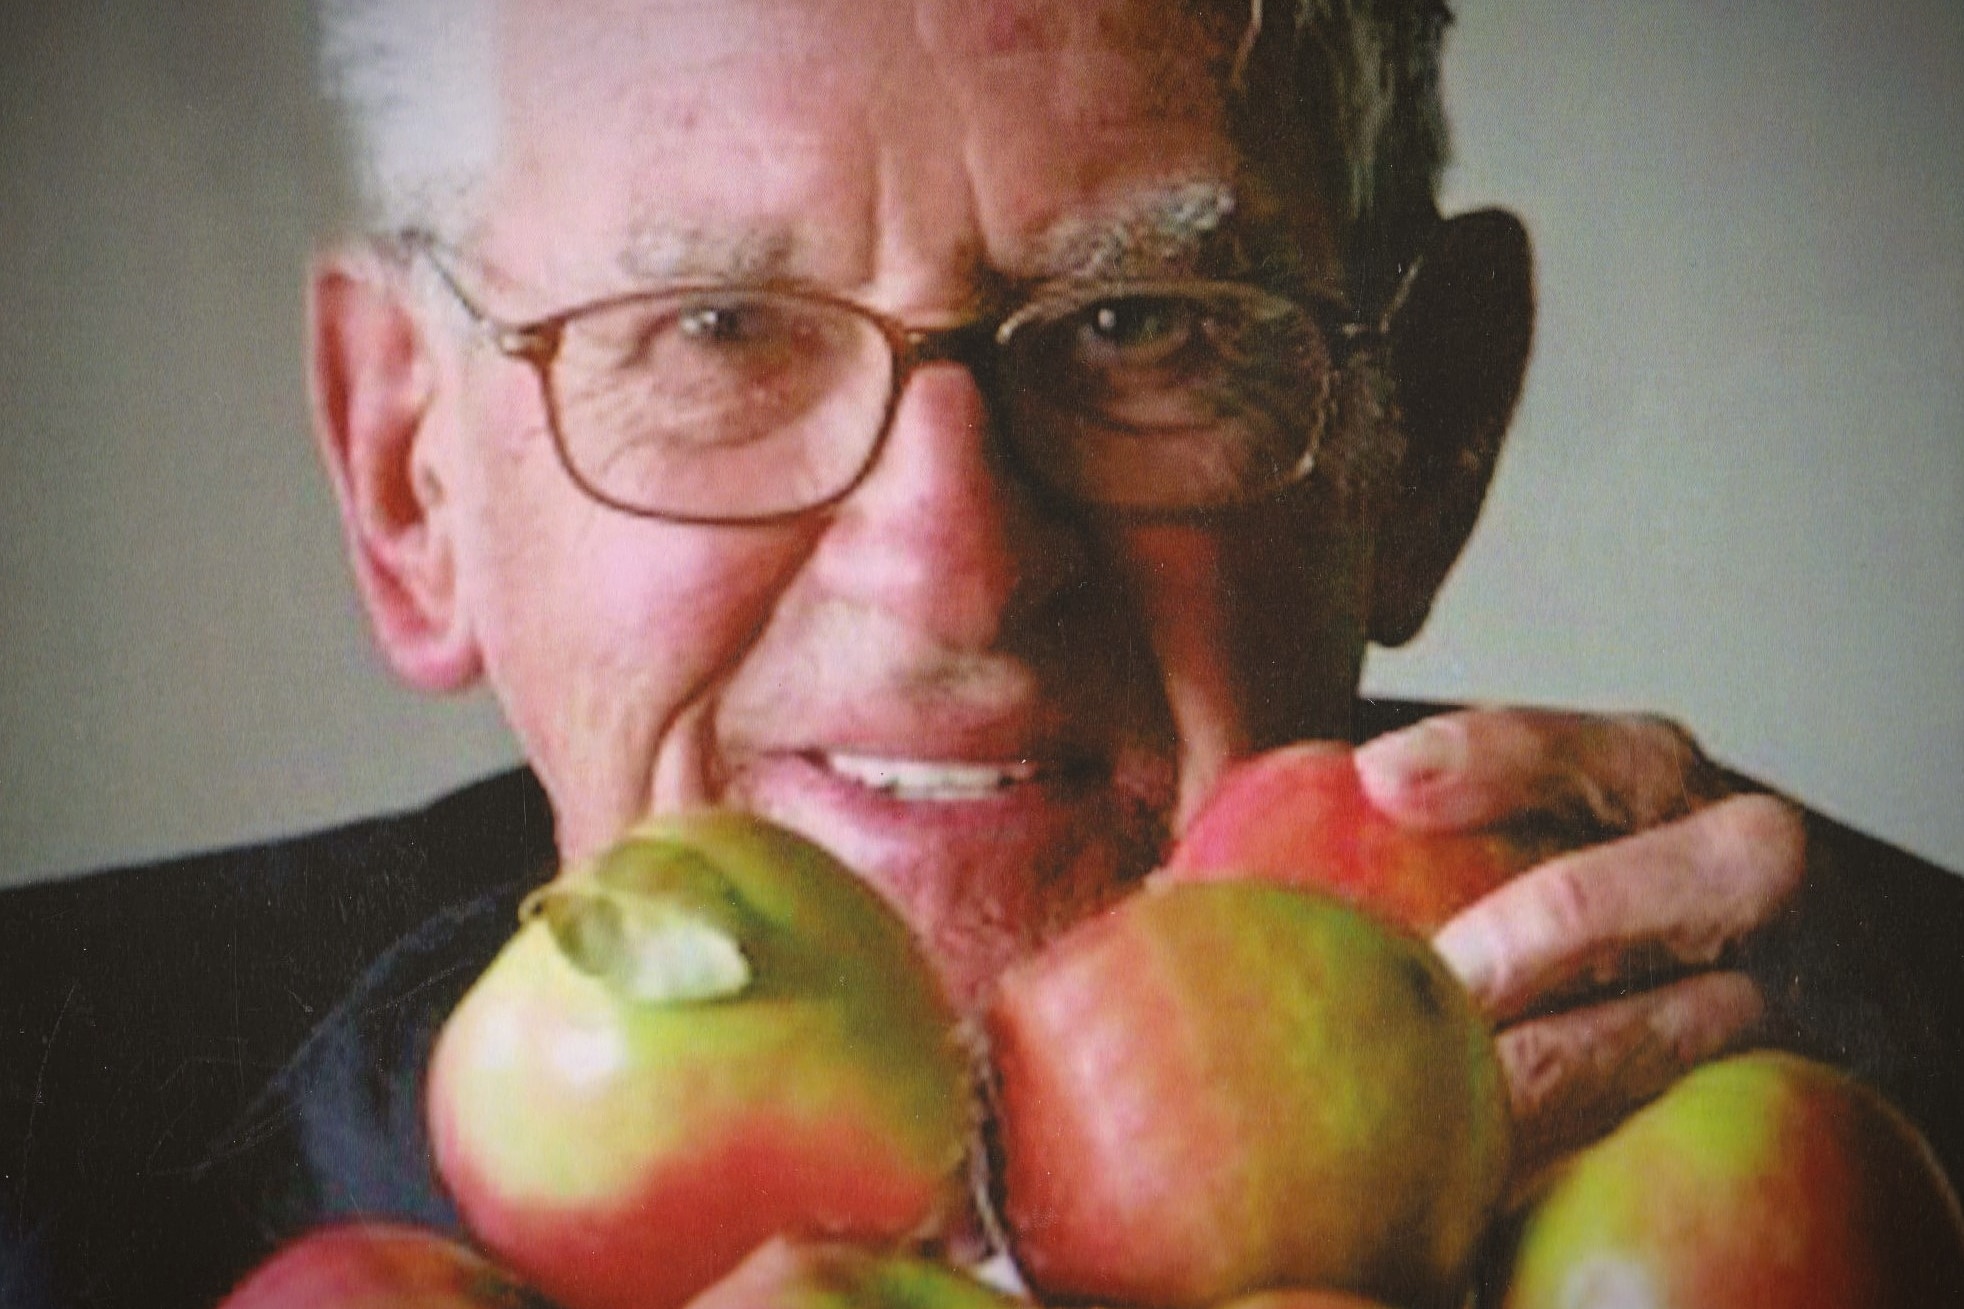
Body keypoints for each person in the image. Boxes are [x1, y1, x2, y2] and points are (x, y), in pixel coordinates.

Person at [1, 1, 1958, 1305]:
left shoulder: (1885, 1100)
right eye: (718, 330)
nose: (954, 568)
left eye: (1142, 322)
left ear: (1422, 436)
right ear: (408, 474)